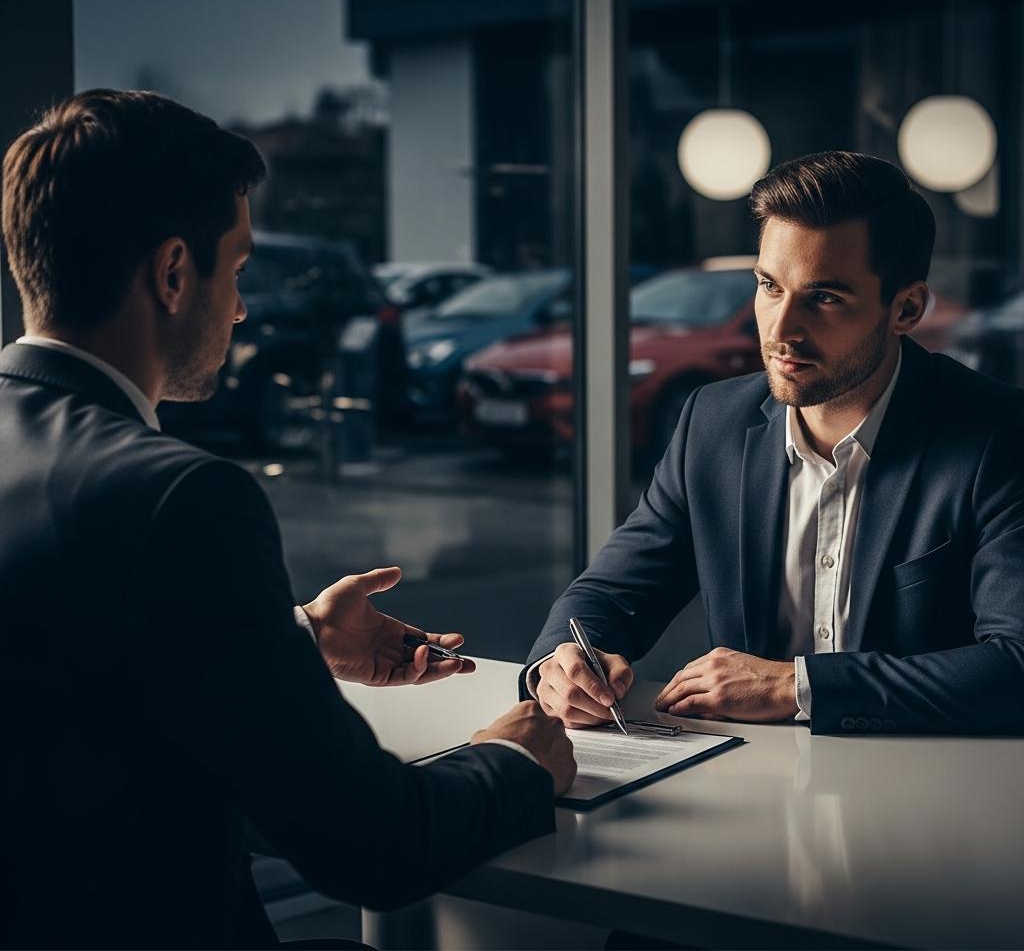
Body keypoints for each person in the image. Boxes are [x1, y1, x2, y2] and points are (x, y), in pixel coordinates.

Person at [0, 89, 575, 950]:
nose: (240, 308)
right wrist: (516, 759)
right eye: (235, 270)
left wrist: (297, 637)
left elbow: (72, 676)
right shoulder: (179, 497)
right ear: (170, 273)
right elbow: (375, 847)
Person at [525, 151, 1024, 736]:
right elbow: (610, 594)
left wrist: (797, 685)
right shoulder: (712, 423)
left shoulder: (1001, 435)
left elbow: (1014, 663)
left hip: (941, 799)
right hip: (752, 787)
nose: (781, 330)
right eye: (769, 286)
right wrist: (560, 664)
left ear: (906, 308)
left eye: (825, 297)